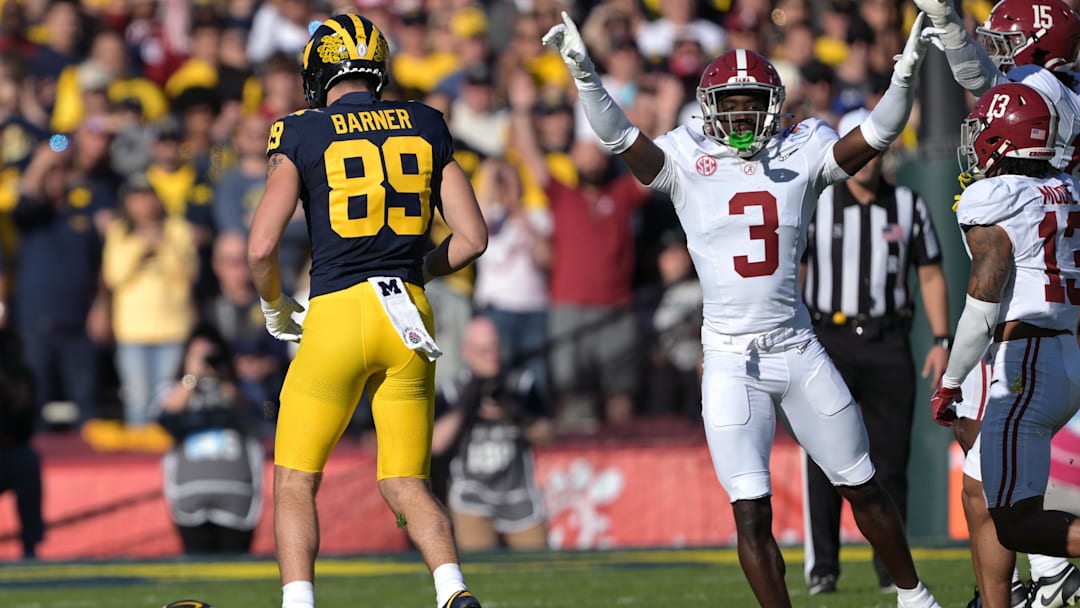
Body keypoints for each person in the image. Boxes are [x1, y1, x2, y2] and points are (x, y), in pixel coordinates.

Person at [544, 10, 941, 607]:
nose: (739, 114)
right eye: (728, 104)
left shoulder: (803, 149)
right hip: (731, 359)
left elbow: (877, 137)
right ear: (708, 108)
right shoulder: (685, 160)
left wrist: (906, 75)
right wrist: (586, 78)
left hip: (799, 348)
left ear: (774, 103)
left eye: (750, 102)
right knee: (751, 512)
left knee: (864, 485)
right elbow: (619, 138)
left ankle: (916, 598)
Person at [246, 14, 488, 608]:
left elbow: (259, 245)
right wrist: (420, 271)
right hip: (409, 314)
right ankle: (453, 592)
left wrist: (276, 305)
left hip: (338, 312)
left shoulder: (301, 131)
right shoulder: (426, 121)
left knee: (296, 480)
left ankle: (299, 603)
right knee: (407, 481)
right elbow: (474, 237)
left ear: (318, 70)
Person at [911, 0, 1080, 604]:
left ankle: (1049, 570)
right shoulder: (1054, 102)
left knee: (1006, 503)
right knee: (981, 487)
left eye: (1012, 41)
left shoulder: (1018, 155)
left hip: (1026, 335)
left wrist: (953, 34)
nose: (1004, 54)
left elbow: (988, 89)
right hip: (1056, 312)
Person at [800, 107, 950, 595]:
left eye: (872, 148)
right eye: (856, 148)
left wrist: (943, 339)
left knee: (891, 460)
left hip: (889, 340)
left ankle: (892, 568)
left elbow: (929, 271)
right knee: (824, 458)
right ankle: (823, 566)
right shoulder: (817, 204)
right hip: (830, 340)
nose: (864, 160)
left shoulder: (909, 205)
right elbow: (794, 269)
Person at [432, 316, 553, 552]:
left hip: (518, 495)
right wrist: (464, 408)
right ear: (467, 352)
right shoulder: (454, 390)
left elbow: (547, 435)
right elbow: (436, 444)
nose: (492, 356)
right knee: (480, 566)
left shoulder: (521, 384)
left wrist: (517, 415)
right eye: (483, 350)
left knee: (539, 566)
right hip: (472, 495)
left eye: (495, 348)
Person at [154, 325, 263, 555]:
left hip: (237, 492)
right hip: (190, 494)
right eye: (198, 355)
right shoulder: (174, 389)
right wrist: (191, 378)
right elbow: (164, 416)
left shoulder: (240, 389)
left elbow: (257, 413)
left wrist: (224, 377)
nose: (206, 361)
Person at [0, 327, 43, 559]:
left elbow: (25, 431)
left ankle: (31, 544)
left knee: (27, 460)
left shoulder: (20, 375)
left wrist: (15, 400)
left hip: (9, 448)